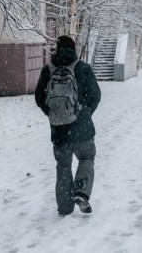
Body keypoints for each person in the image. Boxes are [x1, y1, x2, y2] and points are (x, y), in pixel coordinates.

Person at [35, 35, 102, 216]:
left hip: (59, 131)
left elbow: (39, 98)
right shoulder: (83, 68)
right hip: (83, 129)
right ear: (74, 49)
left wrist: (53, 114)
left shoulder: (48, 70)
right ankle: (81, 192)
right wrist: (85, 113)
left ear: (57, 49)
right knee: (86, 158)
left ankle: (64, 207)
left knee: (63, 166)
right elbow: (95, 95)